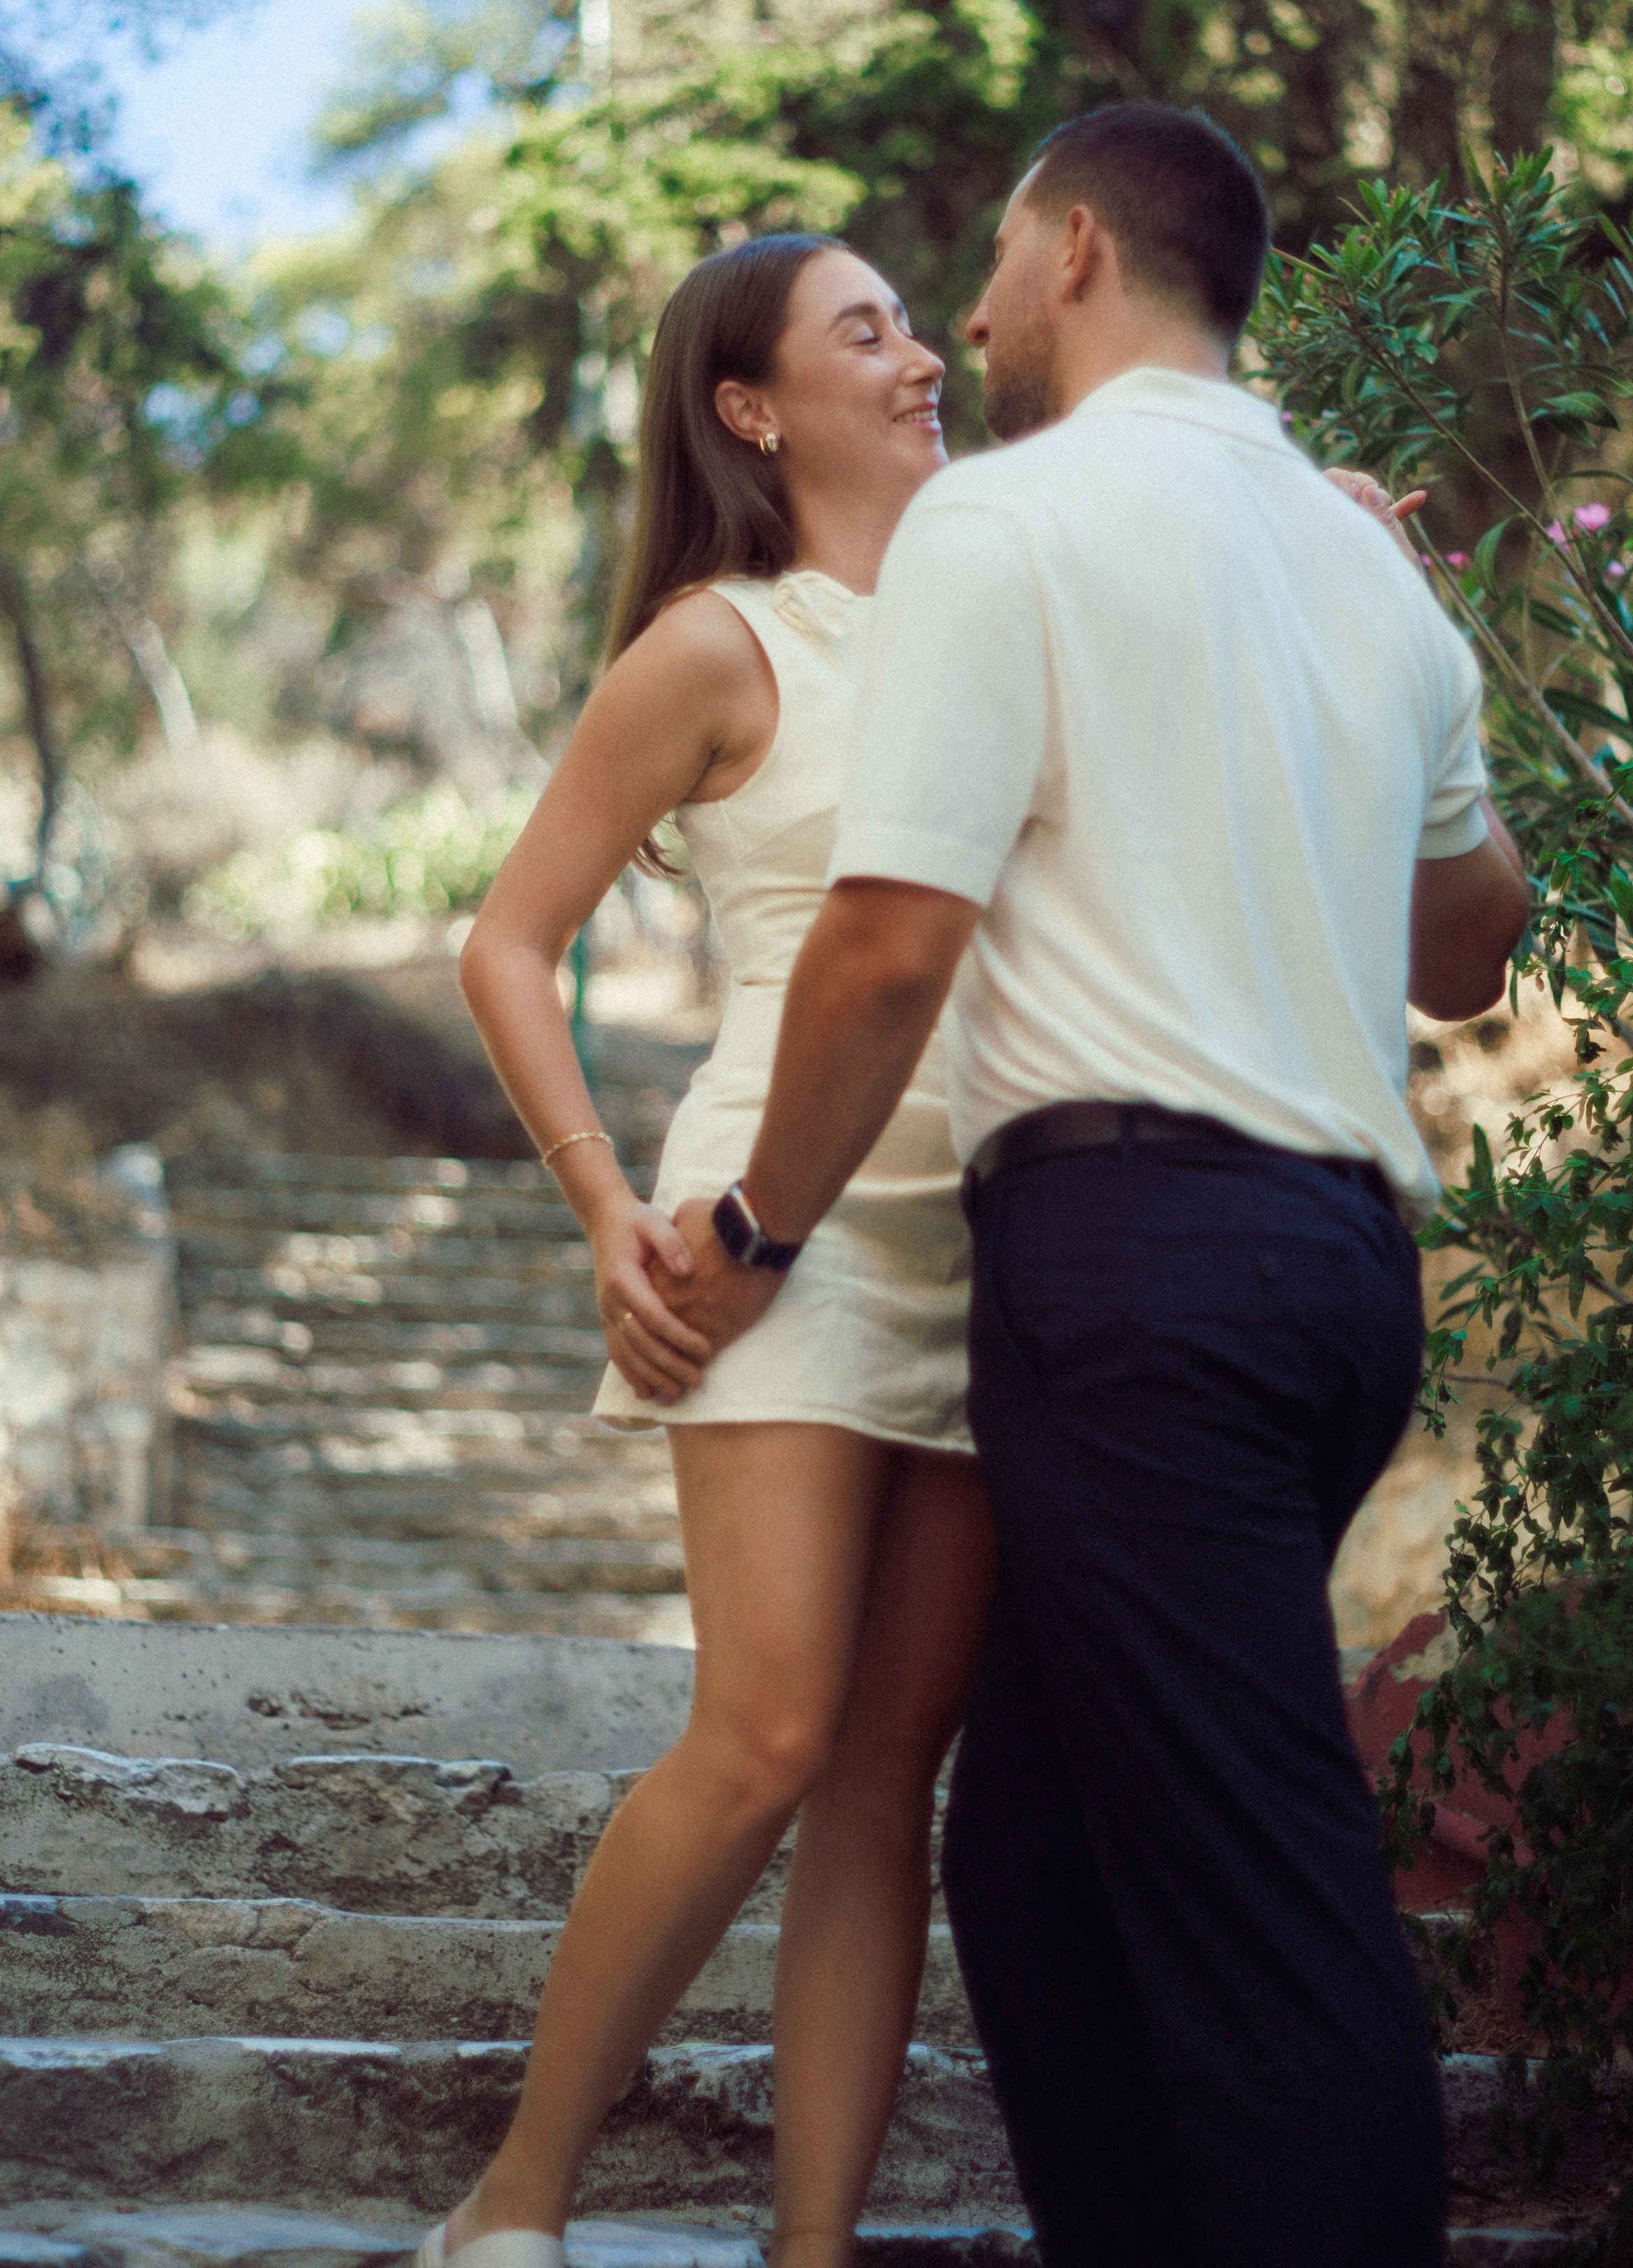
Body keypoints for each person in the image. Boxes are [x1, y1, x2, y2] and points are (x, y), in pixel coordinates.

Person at [658, 102, 1533, 2267]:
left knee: (1259, 1881)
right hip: (1338, 1278)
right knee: (1037, 1861)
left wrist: (758, 1229)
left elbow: (886, 945)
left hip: (1146, 1273)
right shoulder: (1365, 565)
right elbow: (1473, 946)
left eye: (983, 272)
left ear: (1072, 253)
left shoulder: (1008, 519)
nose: (961, 328)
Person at [434, 231, 995, 2268]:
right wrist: (606, 1206)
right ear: (752, 408)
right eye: (868, 332)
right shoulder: (719, 646)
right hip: (772, 1229)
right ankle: (513, 2207)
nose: (923, 357)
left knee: (886, 1777)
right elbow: (509, 942)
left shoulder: (1000, 609)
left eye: (914, 323)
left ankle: (811, 2248)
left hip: (995, 1230)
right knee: (766, 1731)